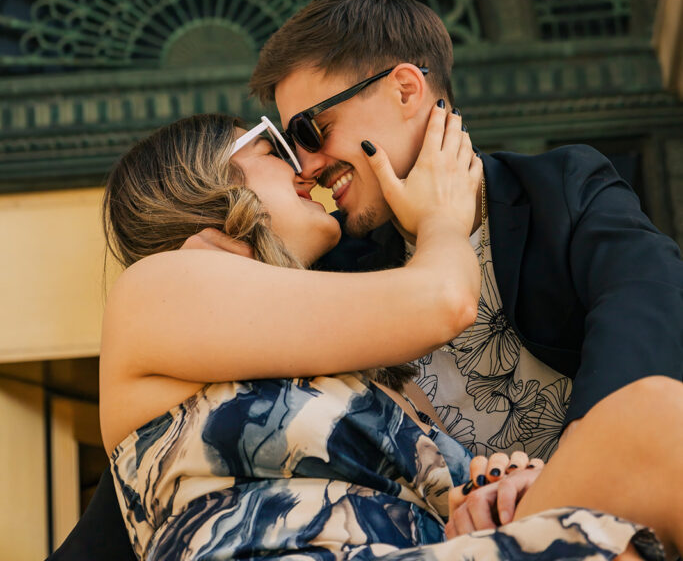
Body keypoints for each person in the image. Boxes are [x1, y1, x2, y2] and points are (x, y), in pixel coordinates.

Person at [78, 111, 683, 559]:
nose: (302, 165)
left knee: (646, 435)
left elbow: (452, 506)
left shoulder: (363, 369)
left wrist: (495, 486)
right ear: (204, 173)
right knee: (650, 426)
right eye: (275, 145)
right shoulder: (154, 290)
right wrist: (442, 220)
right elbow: (444, 301)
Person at [250, 0, 683, 462]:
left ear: (405, 90)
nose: (306, 166)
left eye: (313, 131)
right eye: (294, 147)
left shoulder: (561, 188)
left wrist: (569, 477)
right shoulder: (339, 269)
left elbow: (653, 310)